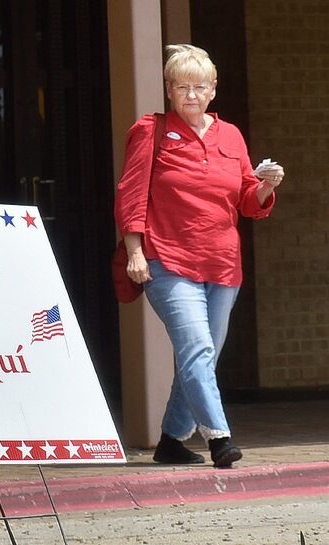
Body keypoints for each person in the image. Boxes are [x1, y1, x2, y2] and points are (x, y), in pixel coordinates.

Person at [114, 44, 285, 468]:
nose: (191, 95)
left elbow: (247, 200)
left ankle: (172, 441)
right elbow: (131, 194)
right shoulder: (150, 131)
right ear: (170, 90)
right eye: (182, 87)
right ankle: (219, 437)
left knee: (203, 354)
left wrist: (265, 186)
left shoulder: (231, 135)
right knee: (196, 350)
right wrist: (135, 251)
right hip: (168, 260)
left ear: (213, 90)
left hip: (223, 264)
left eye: (199, 87)